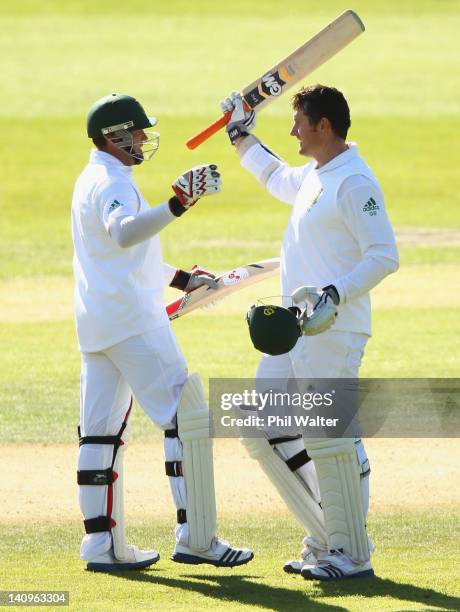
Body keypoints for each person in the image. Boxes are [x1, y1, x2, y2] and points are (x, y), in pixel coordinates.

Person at [221, 85, 399, 580]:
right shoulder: (317, 174)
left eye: (299, 121)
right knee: (261, 425)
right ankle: (324, 536)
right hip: (295, 330)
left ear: (323, 126)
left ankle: (350, 553)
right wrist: (240, 135)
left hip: (334, 330)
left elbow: (384, 255)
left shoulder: (355, 182)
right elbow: (276, 174)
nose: (293, 129)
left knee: (332, 436)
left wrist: (334, 294)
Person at [71, 92, 253, 572]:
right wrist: (178, 203)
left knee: (99, 436)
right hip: (134, 322)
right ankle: (197, 537)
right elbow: (125, 233)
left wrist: (180, 279)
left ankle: (101, 546)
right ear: (114, 137)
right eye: (136, 132)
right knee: (184, 418)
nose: (142, 139)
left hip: (97, 324)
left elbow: (122, 256)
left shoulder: (92, 178)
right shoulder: (112, 182)